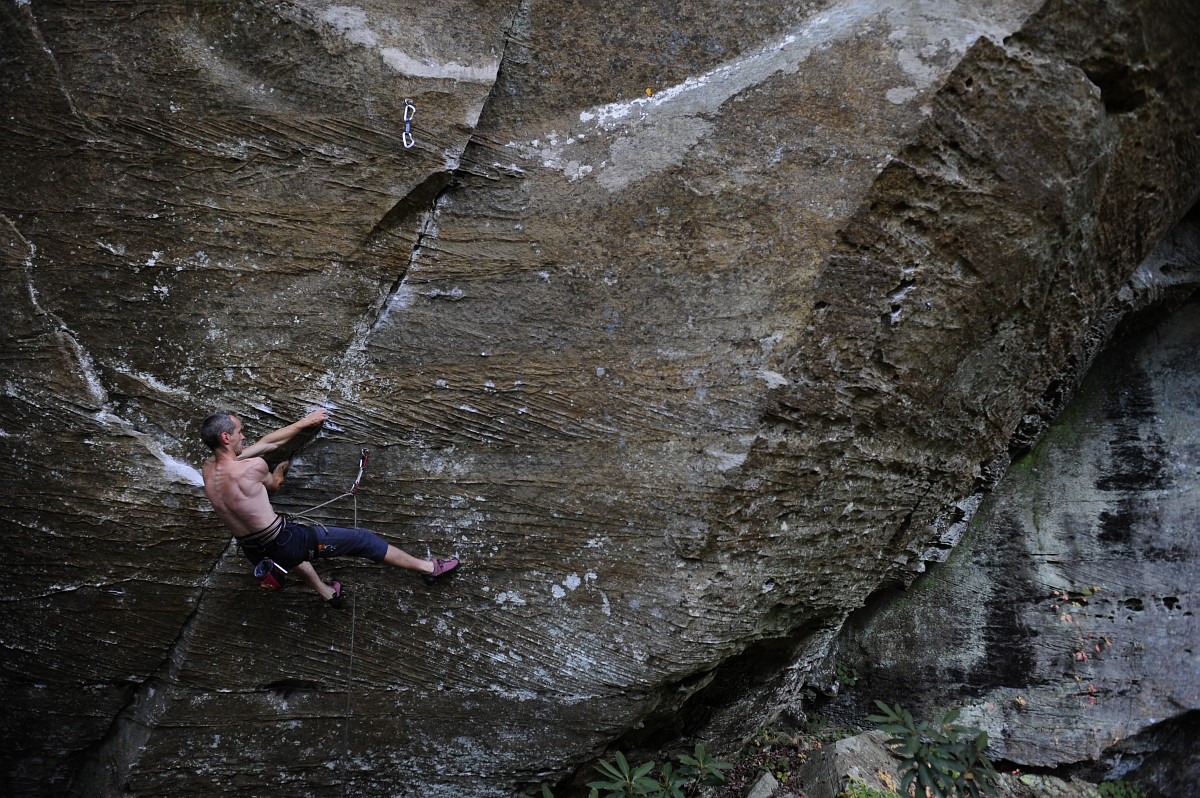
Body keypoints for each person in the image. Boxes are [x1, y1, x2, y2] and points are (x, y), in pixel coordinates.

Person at [200, 408, 458, 607]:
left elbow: (267, 443)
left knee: (292, 558)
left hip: (254, 552)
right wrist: (279, 470)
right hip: (285, 541)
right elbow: (274, 485)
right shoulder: (253, 467)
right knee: (363, 540)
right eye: (239, 432)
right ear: (226, 437)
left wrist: (303, 424)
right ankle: (429, 569)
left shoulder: (208, 468)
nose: (243, 436)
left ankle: (328, 593)